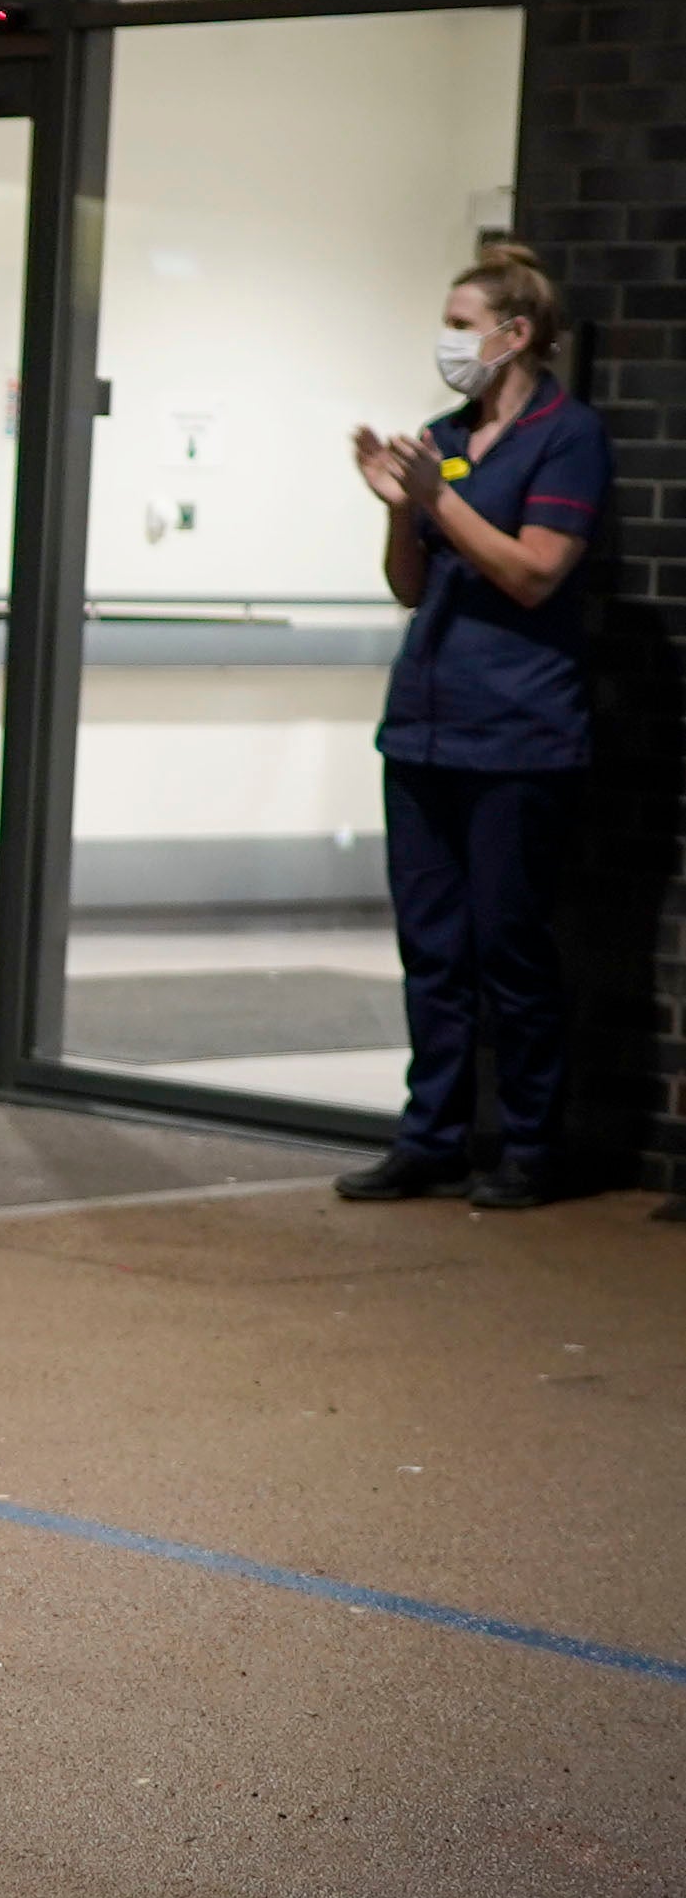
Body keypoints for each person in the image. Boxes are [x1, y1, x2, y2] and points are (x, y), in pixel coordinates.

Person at [342, 242, 603, 1208]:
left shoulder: (564, 437)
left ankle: (531, 1143)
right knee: (433, 948)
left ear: (514, 333)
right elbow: (411, 586)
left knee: (509, 944)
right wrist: (393, 510)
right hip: (422, 727)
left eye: (460, 324)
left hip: (517, 732)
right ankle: (431, 1136)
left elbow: (534, 571)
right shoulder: (442, 435)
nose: (446, 342)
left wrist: (436, 501)